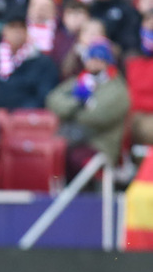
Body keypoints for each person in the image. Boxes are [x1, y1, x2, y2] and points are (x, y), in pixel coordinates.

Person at [46, 39, 130, 179]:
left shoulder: (117, 89)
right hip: (73, 139)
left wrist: (68, 114)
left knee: (71, 157)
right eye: (91, 58)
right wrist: (77, 104)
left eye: (99, 59)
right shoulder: (81, 81)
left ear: (108, 62)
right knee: (52, 153)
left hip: (100, 145)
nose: (94, 63)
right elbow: (53, 99)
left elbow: (98, 117)